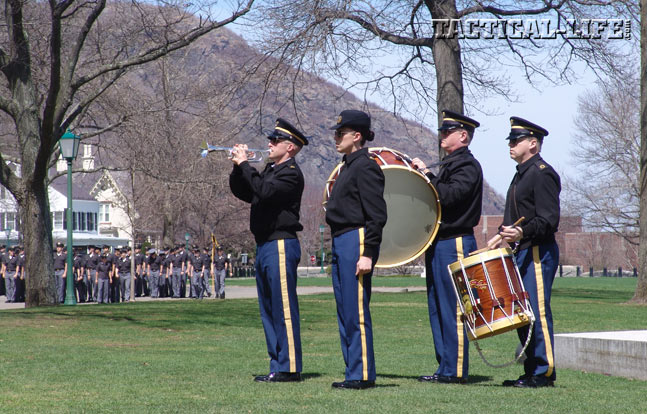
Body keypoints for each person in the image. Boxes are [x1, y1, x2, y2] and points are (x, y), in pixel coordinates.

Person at [229, 118, 308, 383]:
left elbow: (262, 191)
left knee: (283, 307)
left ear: (291, 148)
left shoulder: (290, 173)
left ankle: (290, 367)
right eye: (271, 140)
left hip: (281, 244)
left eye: (275, 141)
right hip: (264, 245)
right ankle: (277, 365)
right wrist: (237, 169)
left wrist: (245, 165)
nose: (269, 144)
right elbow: (246, 192)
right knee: (268, 309)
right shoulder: (271, 170)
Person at [487, 117, 560, 388]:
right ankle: (531, 370)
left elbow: (549, 220)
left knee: (537, 312)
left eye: (516, 140)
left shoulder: (542, 173)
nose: (511, 144)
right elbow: (517, 216)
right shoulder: (521, 173)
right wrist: (501, 234)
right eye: (510, 140)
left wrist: (522, 232)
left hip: (539, 252)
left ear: (533, 143)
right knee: (523, 314)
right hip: (522, 251)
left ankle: (544, 373)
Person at [412, 110, 482, 384]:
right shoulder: (452, 164)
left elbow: (449, 196)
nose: (441, 135)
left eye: (447, 131)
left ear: (463, 136)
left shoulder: (467, 166)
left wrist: (428, 175)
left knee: (454, 308)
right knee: (437, 306)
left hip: (455, 242)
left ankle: (456, 369)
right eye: (442, 131)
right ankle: (444, 366)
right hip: (439, 242)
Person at [325, 110, 388, 390]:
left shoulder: (365, 166)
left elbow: (376, 215)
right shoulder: (348, 166)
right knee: (345, 312)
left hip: (356, 240)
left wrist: (368, 253)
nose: (336, 138)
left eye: (341, 133)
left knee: (356, 312)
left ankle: (362, 374)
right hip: (341, 239)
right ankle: (353, 371)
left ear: (357, 136)